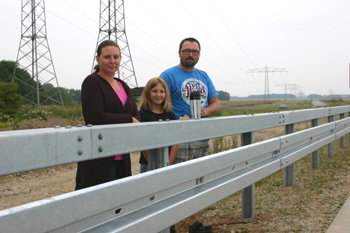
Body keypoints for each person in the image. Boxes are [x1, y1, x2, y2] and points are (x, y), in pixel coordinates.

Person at [160, 37, 220, 233]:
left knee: (196, 180)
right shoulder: (169, 75)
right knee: (176, 182)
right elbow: (158, 99)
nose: (190, 54)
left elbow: (215, 103)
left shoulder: (203, 76)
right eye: (186, 51)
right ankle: (170, 223)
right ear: (179, 53)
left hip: (201, 136)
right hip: (179, 137)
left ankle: (193, 223)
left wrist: (206, 111)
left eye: (194, 51)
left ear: (199, 55)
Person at [75, 40, 140, 190]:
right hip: (100, 156)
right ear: (97, 59)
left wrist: (132, 119)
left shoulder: (123, 85)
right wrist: (128, 119)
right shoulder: (92, 82)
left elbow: (137, 115)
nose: (112, 61)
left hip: (122, 155)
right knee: (100, 202)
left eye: (116, 57)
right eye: (107, 57)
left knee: (119, 201)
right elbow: (98, 117)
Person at [138, 77, 179, 173]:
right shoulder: (141, 115)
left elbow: (175, 142)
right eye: (154, 91)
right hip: (148, 165)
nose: (158, 95)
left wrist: (168, 164)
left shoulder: (171, 115)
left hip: (168, 165)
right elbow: (142, 142)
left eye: (162, 91)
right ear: (148, 93)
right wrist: (154, 163)